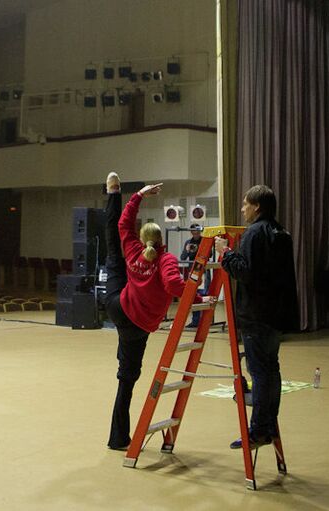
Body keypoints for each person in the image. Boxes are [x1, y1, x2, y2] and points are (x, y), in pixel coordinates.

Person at [103, 172, 208, 451]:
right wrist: (199, 296)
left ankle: (113, 193)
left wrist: (137, 195)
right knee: (126, 379)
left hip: (117, 305)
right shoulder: (166, 259)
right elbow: (174, 284)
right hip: (136, 325)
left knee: (115, 252)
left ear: (141, 238)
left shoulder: (135, 250)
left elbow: (123, 224)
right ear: (162, 240)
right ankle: (117, 438)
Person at [215, 185, 298, 450]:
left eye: (245, 204)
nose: (242, 209)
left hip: (256, 315)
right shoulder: (281, 232)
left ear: (257, 206)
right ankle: (269, 424)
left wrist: (225, 253)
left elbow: (245, 272)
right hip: (276, 315)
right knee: (271, 372)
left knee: (261, 374)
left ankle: (259, 430)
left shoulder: (254, 233)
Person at [181, 223, 206, 328]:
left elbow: (210, 255)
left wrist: (201, 249)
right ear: (191, 232)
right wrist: (187, 250)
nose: (195, 233)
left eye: (197, 231)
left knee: (203, 294)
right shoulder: (188, 242)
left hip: (203, 269)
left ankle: (203, 321)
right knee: (193, 295)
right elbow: (182, 257)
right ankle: (195, 321)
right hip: (192, 270)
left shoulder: (204, 241)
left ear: (200, 231)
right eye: (193, 231)